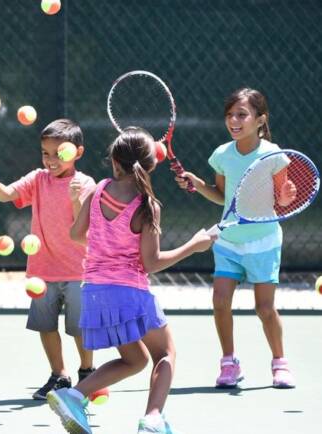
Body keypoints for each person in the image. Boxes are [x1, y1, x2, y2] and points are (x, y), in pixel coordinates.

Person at [48, 127, 214, 434]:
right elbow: (151, 263)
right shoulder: (147, 206)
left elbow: (76, 235)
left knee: (135, 360)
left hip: (95, 293)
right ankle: (152, 419)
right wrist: (194, 245)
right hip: (129, 292)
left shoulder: (98, 190)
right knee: (165, 354)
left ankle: (72, 396)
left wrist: (104, 249)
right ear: (151, 165)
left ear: (114, 162)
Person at [174, 88, 296, 389]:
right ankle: (229, 363)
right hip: (229, 241)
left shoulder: (273, 155)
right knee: (219, 301)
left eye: (242, 114)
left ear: (260, 119)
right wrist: (197, 184)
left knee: (264, 309)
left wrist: (285, 196)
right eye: (230, 115)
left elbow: (282, 201)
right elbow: (222, 197)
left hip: (263, 242)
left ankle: (280, 362)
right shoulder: (222, 155)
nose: (234, 120)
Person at [0, 119, 98, 400]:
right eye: (45, 153)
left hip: (79, 270)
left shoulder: (85, 184)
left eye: (59, 153)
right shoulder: (38, 179)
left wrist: (76, 199)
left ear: (78, 152)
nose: (51, 160)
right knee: (46, 326)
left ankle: (88, 373)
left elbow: (83, 226)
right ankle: (59, 375)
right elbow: (6, 195)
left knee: (80, 327)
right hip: (42, 270)